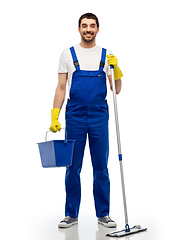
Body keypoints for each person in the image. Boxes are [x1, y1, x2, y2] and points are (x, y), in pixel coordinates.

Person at [49, 13, 123, 228]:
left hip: (100, 115)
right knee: (72, 166)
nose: (88, 29)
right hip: (75, 116)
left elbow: (116, 89)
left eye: (92, 26)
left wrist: (116, 69)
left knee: (101, 167)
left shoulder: (106, 55)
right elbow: (61, 87)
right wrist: (55, 114)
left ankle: (104, 214)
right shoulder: (67, 54)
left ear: (98, 29)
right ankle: (71, 214)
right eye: (84, 26)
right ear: (79, 28)